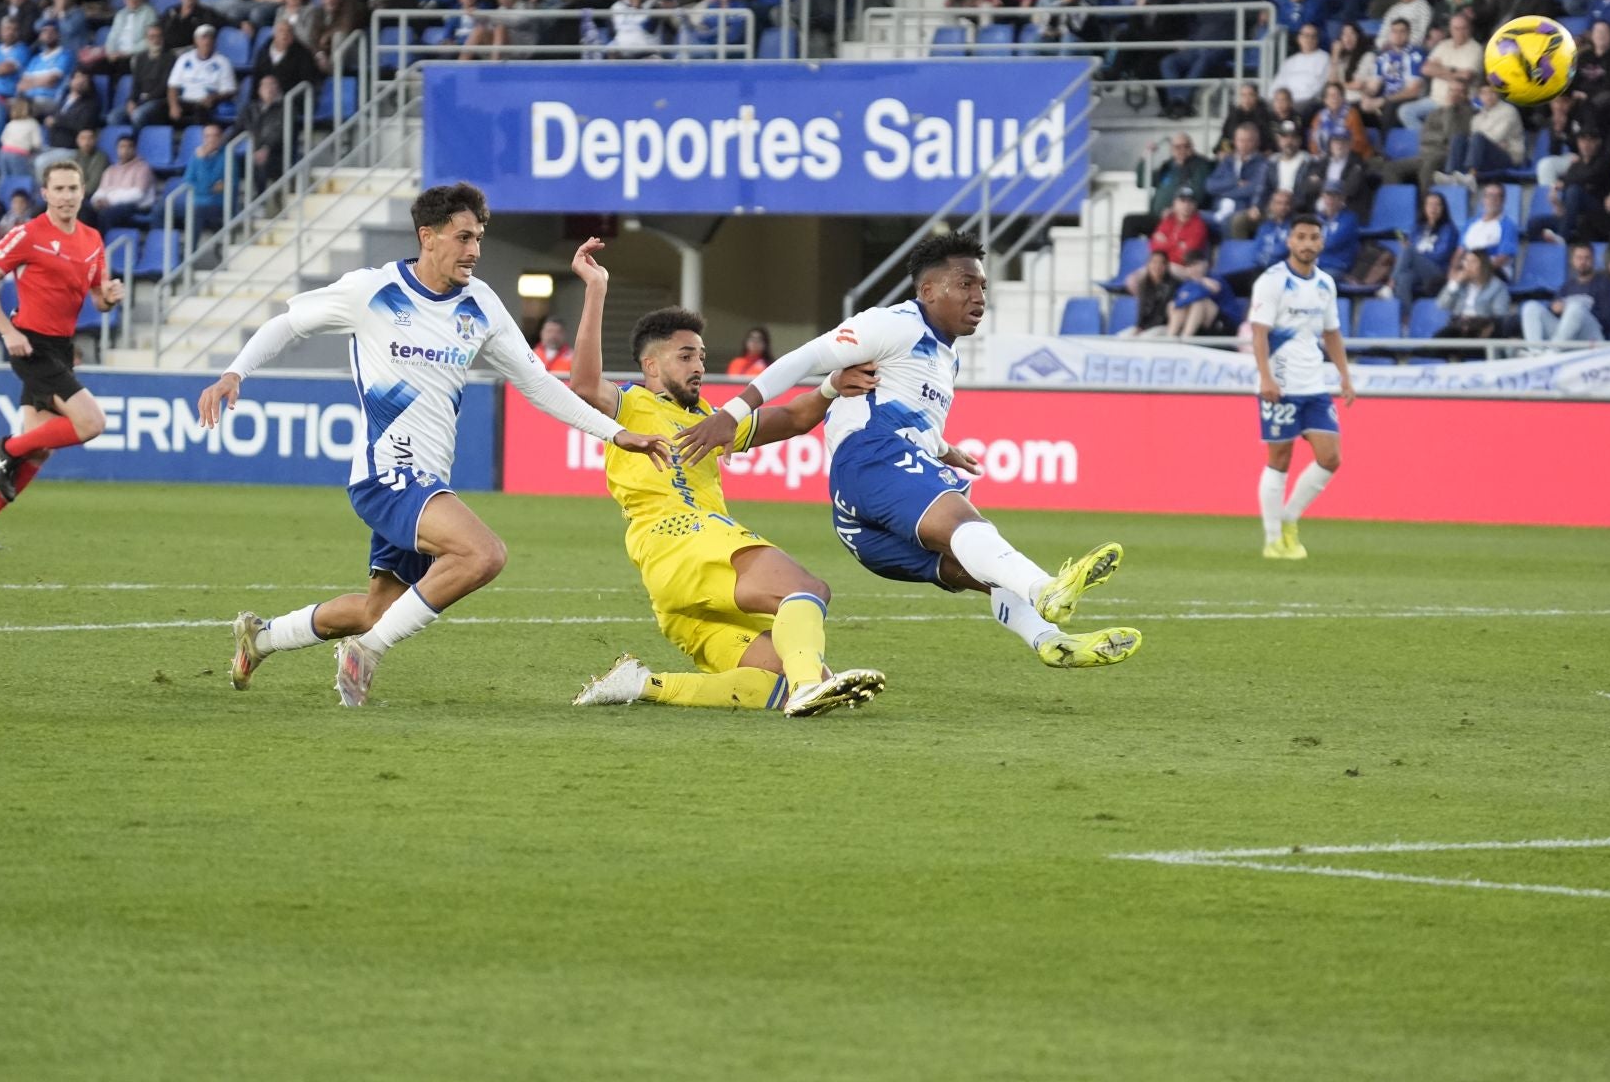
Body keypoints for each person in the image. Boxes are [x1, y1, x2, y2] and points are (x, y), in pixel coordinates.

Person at [197, 183, 667, 707]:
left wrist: (616, 433)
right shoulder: (371, 291)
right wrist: (235, 372)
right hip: (385, 476)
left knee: (377, 609)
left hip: (428, 484)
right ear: (428, 236)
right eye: (464, 237)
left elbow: (538, 385)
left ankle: (260, 637)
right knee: (483, 554)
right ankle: (366, 652)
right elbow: (288, 324)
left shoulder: (480, 304)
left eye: (479, 238)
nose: (475, 250)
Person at [672, 233, 1140, 671]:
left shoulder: (946, 356)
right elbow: (804, 359)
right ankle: (1046, 588)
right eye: (967, 284)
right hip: (870, 459)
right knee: (966, 525)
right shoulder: (892, 323)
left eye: (983, 286)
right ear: (930, 289)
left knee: (978, 567)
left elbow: (909, 408)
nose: (980, 296)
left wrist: (941, 447)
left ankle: (1047, 639)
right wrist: (732, 413)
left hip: (860, 526)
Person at [562, 241, 885, 716]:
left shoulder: (713, 419)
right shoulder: (632, 404)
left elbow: (793, 419)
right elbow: (585, 386)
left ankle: (642, 685)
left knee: (790, 675)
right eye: (685, 356)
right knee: (808, 590)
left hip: (674, 582)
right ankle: (805, 691)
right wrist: (596, 288)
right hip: (681, 539)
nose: (698, 366)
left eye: (701, 356)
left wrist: (830, 386)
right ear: (651, 366)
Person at [0, 162, 121, 547]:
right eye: (59, 189)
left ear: (83, 192)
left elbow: (98, 299)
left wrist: (110, 298)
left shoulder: (92, 238)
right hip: (29, 344)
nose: (66, 196)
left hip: (60, 348)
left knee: (40, 449)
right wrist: (7, 331)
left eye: (73, 188)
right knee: (92, 423)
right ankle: (6, 448)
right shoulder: (27, 234)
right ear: (45, 194)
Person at [1249, 213, 1354, 561]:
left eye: (1313, 237)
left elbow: (1331, 332)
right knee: (1279, 460)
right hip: (1280, 383)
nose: (1308, 243)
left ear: (1321, 243)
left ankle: (1290, 519)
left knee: (1330, 457)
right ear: (1290, 241)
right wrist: (1265, 376)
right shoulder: (1273, 281)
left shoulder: (1325, 284)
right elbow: (1259, 332)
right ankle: (1272, 539)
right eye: (1301, 237)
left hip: (1313, 384)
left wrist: (1344, 375)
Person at [1522, 244, 1610, 347]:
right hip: (1566, 338)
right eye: (1579, 258)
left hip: (1592, 337)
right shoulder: (1567, 286)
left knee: (1575, 308)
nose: (1583, 262)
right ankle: (1535, 352)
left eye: (1587, 258)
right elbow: (1554, 309)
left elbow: (1608, 321)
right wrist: (1553, 308)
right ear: (1572, 261)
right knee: (1531, 307)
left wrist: (1576, 312)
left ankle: (1552, 351)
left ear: (1593, 260)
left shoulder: (1606, 284)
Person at [1434, 249, 1511, 349]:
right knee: (1439, 340)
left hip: (1481, 327)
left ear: (1483, 265)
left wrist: (1479, 320)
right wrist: (1454, 284)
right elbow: (1441, 304)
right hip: (1459, 326)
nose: (1468, 265)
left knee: (1465, 343)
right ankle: (1413, 356)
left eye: (1473, 261)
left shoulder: (1497, 286)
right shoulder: (1459, 285)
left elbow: (1501, 314)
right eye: (1466, 261)